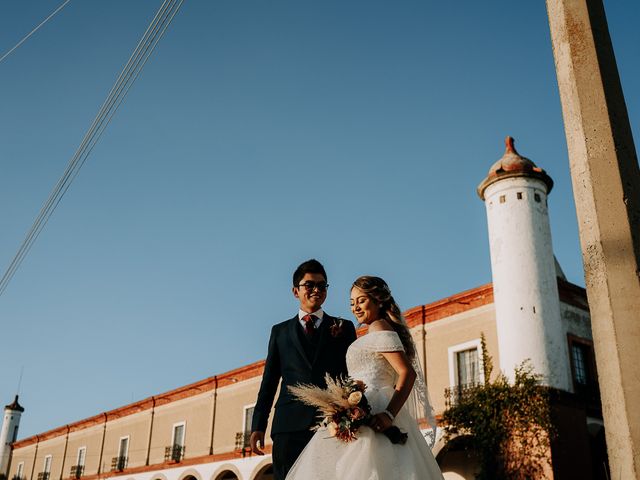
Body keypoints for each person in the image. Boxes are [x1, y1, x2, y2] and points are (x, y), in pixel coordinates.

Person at [285, 275, 445, 480]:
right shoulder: (372, 330)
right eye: (352, 303)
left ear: (378, 300)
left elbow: (407, 373)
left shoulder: (379, 326)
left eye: (361, 300)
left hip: (377, 408)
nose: (355, 308)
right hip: (361, 408)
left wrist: (388, 414)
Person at [250, 259, 357, 480]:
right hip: (288, 426)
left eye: (322, 285)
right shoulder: (279, 332)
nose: (316, 290)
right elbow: (269, 381)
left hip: (331, 423)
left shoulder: (343, 327)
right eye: (309, 285)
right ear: (295, 291)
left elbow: (351, 375)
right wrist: (258, 424)